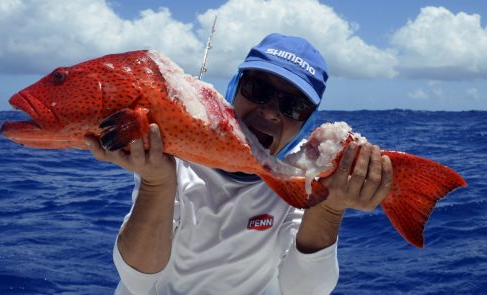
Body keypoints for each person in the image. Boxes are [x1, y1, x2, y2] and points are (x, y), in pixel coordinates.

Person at [85, 33, 393, 295]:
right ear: (234, 88)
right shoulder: (171, 150)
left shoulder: (304, 177)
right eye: (258, 90)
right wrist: (156, 182)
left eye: (293, 106)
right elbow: (138, 282)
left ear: (305, 121)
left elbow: (304, 290)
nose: (271, 111)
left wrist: (329, 208)